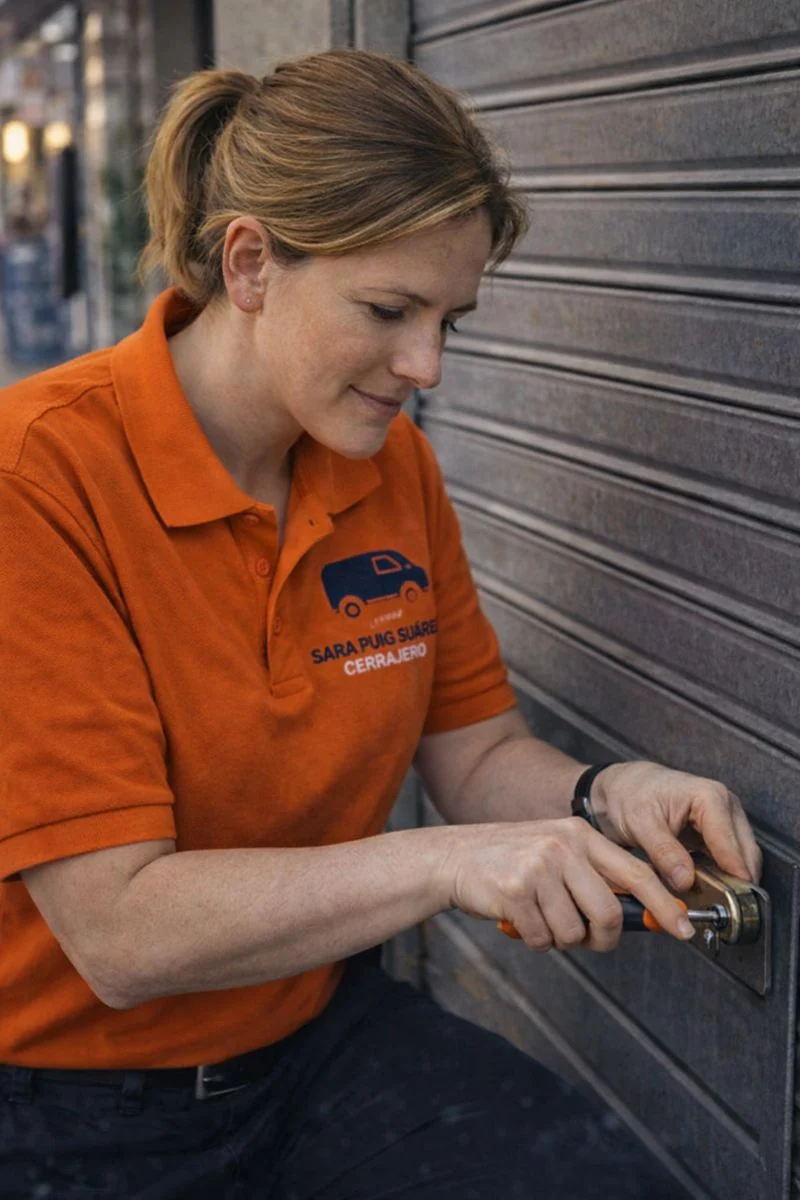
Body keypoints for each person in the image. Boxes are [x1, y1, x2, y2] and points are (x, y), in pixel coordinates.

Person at [0, 49, 761, 1199]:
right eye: (388, 310)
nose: (427, 366)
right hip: (66, 1103)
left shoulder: (390, 465)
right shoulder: (37, 479)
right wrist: (450, 865)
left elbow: (477, 757)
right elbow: (120, 935)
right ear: (250, 263)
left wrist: (604, 793)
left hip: (315, 1040)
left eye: (450, 318)